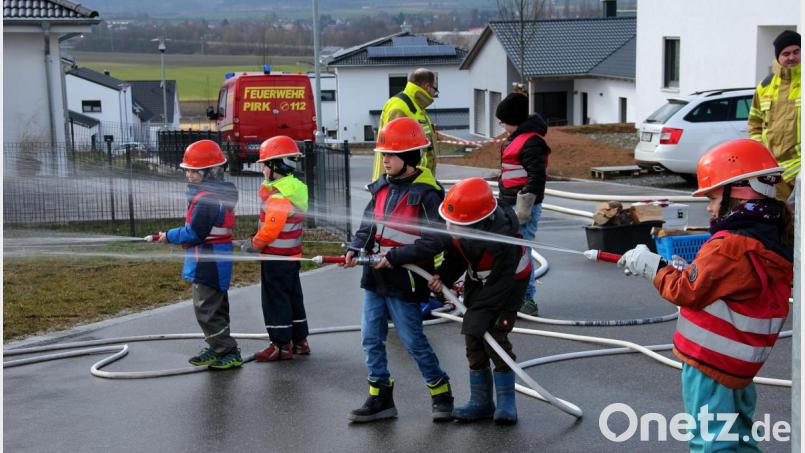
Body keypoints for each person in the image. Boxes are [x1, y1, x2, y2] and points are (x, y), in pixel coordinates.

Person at [618, 139, 793, 452]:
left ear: (737, 190)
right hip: (738, 364)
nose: (710, 208)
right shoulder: (773, 232)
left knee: (711, 442)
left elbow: (686, 290)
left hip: (710, 364)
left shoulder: (728, 245)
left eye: (712, 199)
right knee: (737, 439)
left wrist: (651, 267)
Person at [343, 117, 453, 423]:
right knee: (370, 337)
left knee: (412, 340)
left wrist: (397, 256)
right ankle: (380, 398)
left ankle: (440, 391)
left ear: (410, 157)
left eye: (390, 154)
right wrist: (354, 248)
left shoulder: (427, 194)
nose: (384, 160)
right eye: (383, 154)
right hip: (375, 278)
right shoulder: (381, 188)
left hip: (405, 279)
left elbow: (437, 239)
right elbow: (368, 227)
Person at [427, 177, 532, 425]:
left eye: (456, 225)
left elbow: (500, 286)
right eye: (449, 222)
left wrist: (478, 316)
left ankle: (507, 404)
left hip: (509, 287)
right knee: (473, 339)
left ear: (478, 224)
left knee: (495, 336)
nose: (450, 229)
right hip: (479, 280)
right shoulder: (462, 227)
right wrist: (442, 279)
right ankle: (481, 402)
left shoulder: (504, 240)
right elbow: (456, 258)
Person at [157, 140, 242, 370]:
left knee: (206, 309)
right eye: (188, 170)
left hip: (209, 260)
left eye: (195, 171)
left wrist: (169, 236)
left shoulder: (207, 199)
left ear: (211, 172)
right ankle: (217, 348)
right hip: (212, 258)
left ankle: (227, 351)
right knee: (215, 307)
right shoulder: (214, 194)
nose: (190, 175)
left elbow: (194, 232)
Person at [241, 136, 310, 361]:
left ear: (275, 165)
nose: (262, 169)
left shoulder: (279, 196)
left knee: (275, 300)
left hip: (275, 259)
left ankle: (280, 344)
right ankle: (299, 340)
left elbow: (270, 231)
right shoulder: (294, 191)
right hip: (291, 258)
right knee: (293, 298)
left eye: (264, 165)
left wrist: (253, 245)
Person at [495, 92, 550, 316]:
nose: (501, 125)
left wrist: (525, 205)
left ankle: (527, 299)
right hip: (509, 204)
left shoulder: (531, 142)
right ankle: (512, 295)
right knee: (511, 252)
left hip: (522, 207)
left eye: (503, 121)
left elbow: (537, 177)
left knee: (522, 253)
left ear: (514, 120)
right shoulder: (517, 139)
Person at [748, 29, 800, 201]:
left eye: (796, 51)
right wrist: (761, 153)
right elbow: (754, 122)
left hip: (801, 170)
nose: (791, 57)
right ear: (778, 57)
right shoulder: (765, 86)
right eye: (786, 53)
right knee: (781, 222)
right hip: (774, 171)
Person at [371, 68, 442, 180]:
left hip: (414, 183)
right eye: (435, 89)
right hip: (402, 186)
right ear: (427, 87)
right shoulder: (401, 107)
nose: (434, 94)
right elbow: (393, 152)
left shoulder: (415, 108)